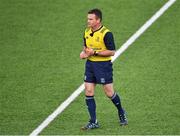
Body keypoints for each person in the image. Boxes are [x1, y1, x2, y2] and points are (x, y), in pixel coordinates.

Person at [80, 8, 128, 130]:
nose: (88, 21)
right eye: (88, 18)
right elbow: (86, 47)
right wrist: (84, 53)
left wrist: (94, 52)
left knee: (109, 92)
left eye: (91, 19)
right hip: (90, 65)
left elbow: (112, 52)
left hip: (103, 66)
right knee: (88, 91)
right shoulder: (86, 31)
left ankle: (121, 111)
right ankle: (93, 121)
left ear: (98, 20)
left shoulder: (106, 33)